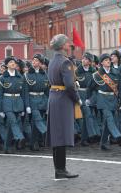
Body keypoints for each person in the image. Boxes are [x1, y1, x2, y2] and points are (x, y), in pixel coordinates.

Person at [46, 34, 79, 179]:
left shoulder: (53, 61)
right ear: (62, 45)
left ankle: (59, 169)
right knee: (62, 135)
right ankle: (61, 169)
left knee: (56, 135)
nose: (69, 44)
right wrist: (77, 98)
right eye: (67, 42)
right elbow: (70, 85)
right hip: (63, 99)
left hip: (54, 97)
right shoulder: (65, 62)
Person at [88, 53, 121, 151]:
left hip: (113, 99)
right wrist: (88, 99)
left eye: (109, 60)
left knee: (108, 122)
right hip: (102, 99)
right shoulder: (97, 75)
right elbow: (90, 87)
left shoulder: (116, 73)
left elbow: (120, 88)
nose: (108, 61)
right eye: (105, 60)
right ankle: (117, 135)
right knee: (109, 118)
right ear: (101, 63)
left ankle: (103, 143)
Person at [0, 56, 27, 154]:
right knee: (13, 121)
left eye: (14, 62)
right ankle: (20, 137)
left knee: (11, 125)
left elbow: (24, 93)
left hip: (18, 102)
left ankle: (7, 146)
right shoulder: (2, 78)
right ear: (6, 65)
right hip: (7, 102)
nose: (13, 63)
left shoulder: (20, 77)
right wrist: (0, 110)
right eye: (10, 62)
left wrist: (24, 107)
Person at [25, 54, 50, 151]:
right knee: (38, 119)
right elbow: (25, 91)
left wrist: (48, 104)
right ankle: (46, 132)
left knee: (35, 124)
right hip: (32, 100)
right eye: (33, 60)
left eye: (36, 60)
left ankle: (33, 143)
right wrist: (27, 105)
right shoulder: (27, 75)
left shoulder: (44, 75)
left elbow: (47, 92)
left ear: (40, 63)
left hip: (42, 100)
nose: (34, 62)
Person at [75, 52, 100, 146]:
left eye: (86, 59)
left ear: (90, 62)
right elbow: (74, 85)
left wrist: (92, 99)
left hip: (90, 95)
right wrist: (78, 98)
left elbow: (96, 87)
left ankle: (84, 140)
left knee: (88, 116)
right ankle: (93, 135)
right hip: (80, 95)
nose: (83, 60)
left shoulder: (93, 71)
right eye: (83, 58)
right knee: (88, 114)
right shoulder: (77, 71)